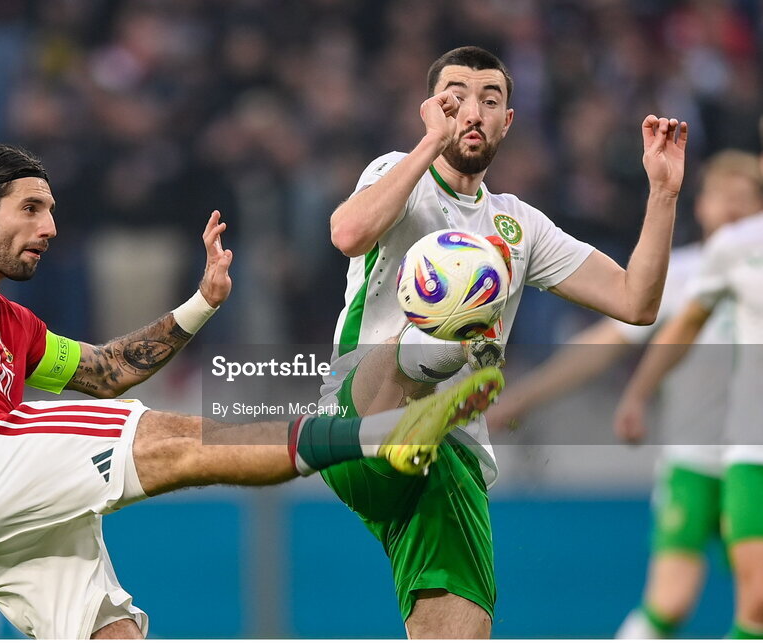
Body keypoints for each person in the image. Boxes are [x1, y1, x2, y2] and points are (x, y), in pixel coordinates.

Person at [0, 143, 505, 639]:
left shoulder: (12, 323)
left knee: (112, 635)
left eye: (51, 211)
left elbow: (106, 370)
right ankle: (381, 433)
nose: (49, 227)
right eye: (30, 209)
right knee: (177, 439)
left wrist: (202, 304)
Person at [319, 46, 689, 638]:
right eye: (455, 97)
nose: (473, 111)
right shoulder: (399, 172)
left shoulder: (520, 224)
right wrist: (426, 146)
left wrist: (664, 194)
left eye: (490, 100)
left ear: (507, 121)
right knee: (445, 319)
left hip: (446, 457)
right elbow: (348, 233)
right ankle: (453, 345)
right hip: (360, 413)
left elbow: (636, 302)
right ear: (432, 109)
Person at [484, 150, 763, 638]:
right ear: (702, 206)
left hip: (752, 453)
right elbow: (601, 346)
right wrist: (522, 399)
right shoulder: (683, 272)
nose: (734, 209)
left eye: (747, 199)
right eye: (723, 197)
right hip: (693, 457)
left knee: (756, 600)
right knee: (670, 602)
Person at [614, 201, 763, 638]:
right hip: (738, 449)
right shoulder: (732, 250)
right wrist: (638, 393)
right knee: (744, 602)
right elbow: (683, 325)